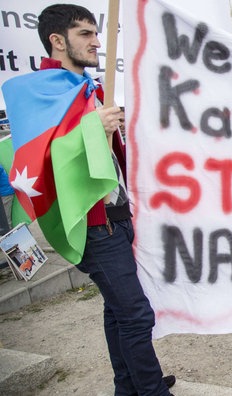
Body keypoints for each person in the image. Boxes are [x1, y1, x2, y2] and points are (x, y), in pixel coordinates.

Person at [28, 5, 175, 394]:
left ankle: (129, 386)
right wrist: (94, 127)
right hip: (95, 225)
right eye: (84, 34)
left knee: (118, 313)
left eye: (96, 33)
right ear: (57, 41)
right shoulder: (40, 93)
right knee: (136, 314)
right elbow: (45, 159)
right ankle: (151, 390)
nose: (96, 42)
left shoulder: (90, 88)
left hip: (117, 215)